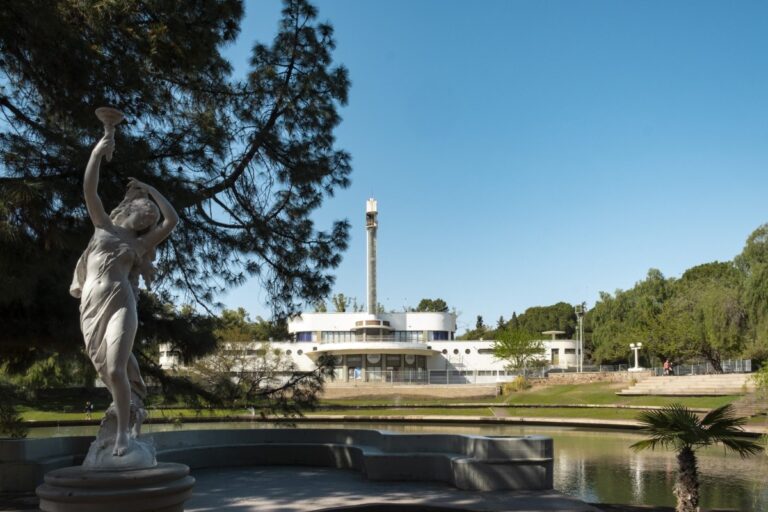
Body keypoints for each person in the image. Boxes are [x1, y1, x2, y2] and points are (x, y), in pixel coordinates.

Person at [70, 134, 178, 457]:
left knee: (116, 370)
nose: (150, 218)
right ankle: (123, 415)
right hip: (91, 307)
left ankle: (122, 435)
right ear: (131, 207)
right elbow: (90, 189)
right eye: (146, 211)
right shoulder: (103, 225)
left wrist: (151, 188)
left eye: (150, 219)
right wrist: (97, 153)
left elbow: (172, 219)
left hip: (121, 304)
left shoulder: (140, 245)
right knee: (104, 366)